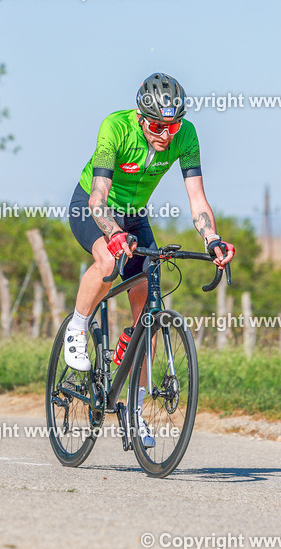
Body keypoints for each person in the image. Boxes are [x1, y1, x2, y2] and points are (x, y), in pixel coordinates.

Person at [66, 72, 235, 446]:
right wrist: (112, 232)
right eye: (158, 125)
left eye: (172, 126)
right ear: (142, 117)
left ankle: (136, 412)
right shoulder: (117, 128)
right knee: (108, 263)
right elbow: (98, 198)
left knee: (148, 314)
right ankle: (77, 328)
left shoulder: (185, 136)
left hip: (135, 215)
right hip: (94, 209)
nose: (166, 134)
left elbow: (197, 198)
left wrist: (212, 238)